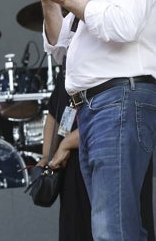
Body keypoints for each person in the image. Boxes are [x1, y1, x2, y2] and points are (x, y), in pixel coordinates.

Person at [30, 0, 156, 240]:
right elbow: (59, 46)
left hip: (119, 101)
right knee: (111, 226)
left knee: (112, 228)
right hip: (95, 109)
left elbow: (123, 24)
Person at [37, 64, 155, 241]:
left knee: (118, 222)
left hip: (110, 148)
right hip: (71, 166)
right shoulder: (70, 67)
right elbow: (54, 114)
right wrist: (47, 155)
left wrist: (67, 143)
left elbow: (110, 115)